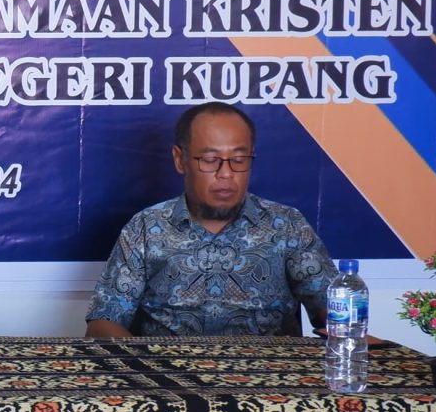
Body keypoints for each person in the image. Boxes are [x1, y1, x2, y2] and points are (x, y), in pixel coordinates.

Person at [85, 102, 333, 339]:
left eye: (239, 160)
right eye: (210, 160)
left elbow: (335, 311)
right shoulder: (146, 228)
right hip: (165, 366)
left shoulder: (287, 225)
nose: (226, 173)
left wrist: (343, 325)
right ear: (180, 160)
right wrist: (145, 364)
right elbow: (103, 322)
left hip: (271, 367)